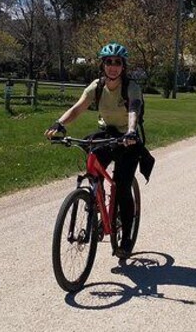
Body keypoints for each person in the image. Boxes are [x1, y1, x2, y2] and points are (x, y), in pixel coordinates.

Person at [44, 42, 149, 259]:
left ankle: (126, 236)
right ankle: (95, 200)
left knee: (121, 186)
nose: (113, 67)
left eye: (117, 63)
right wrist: (60, 123)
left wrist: (130, 131)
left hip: (127, 138)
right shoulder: (97, 86)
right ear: (102, 65)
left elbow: (133, 110)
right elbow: (78, 108)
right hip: (107, 133)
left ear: (123, 66)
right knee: (91, 155)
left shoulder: (131, 87)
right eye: (109, 62)